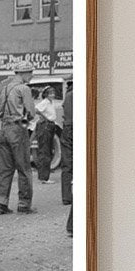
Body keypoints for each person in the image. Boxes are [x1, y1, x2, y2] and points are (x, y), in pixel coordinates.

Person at [0, 59, 36, 214]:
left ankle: (0, 203)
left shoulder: (3, 88)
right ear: (23, 73)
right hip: (17, 128)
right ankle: (24, 204)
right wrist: (27, 119)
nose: (31, 75)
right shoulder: (23, 88)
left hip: (3, 129)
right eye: (30, 72)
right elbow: (31, 112)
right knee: (24, 167)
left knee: (5, 169)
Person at [34, 85, 61, 183]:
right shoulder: (44, 102)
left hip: (50, 125)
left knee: (48, 151)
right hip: (45, 126)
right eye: (50, 93)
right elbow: (36, 109)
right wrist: (44, 117)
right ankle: (44, 177)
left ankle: (45, 176)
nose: (52, 95)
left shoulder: (50, 103)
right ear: (46, 94)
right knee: (45, 152)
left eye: (53, 93)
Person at [62, 77, 74, 235]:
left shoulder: (68, 95)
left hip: (67, 128)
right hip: (74, 127)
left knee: (67, 165)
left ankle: (66, 196)